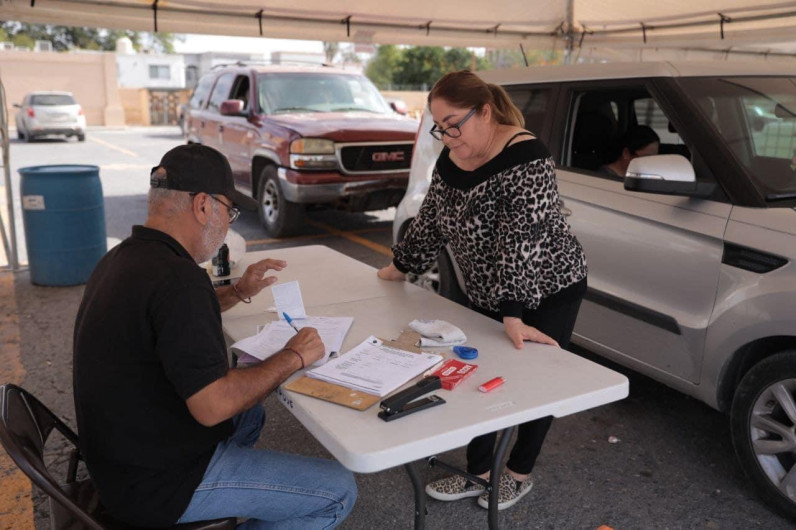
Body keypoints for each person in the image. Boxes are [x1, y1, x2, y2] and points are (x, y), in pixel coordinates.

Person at [73, 144, 356, 528]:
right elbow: (213, 406)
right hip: (157, 484)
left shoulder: (127, 258)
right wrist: (293, 355)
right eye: (230, 211)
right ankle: (216, 492)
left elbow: (169, 318)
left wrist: (238, 291)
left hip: (121, 457)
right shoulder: (178, 280)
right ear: (204, 206)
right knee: (337, 491)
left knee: (250, 413)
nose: (228, 225)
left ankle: (236, 488)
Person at [377, 70, 587, 511]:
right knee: (480, 378)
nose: (447, 135)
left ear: (485, 111)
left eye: (454, 123)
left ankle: (518, 473)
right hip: (491, 294)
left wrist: (512, 313)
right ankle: (480, 472)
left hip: (548, 288)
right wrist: (398, 267)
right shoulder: (453, 157)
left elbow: (521, 240)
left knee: (533, 382)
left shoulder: (527, 157)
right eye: (439, 126)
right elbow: (432, 218)